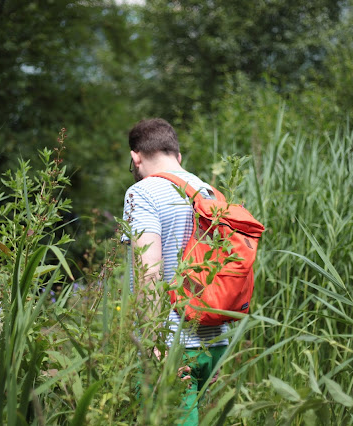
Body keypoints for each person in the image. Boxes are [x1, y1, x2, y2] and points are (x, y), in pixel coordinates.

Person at [122, 118, 228, 424]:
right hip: (214, 341)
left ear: (136, 157)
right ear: (177, 156)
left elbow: (149, 272)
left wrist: (155, 342)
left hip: (172, 344)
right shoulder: (210, 192)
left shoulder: (141, 193)